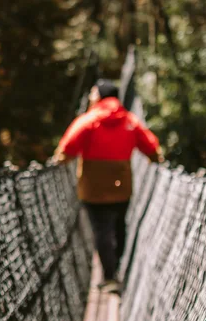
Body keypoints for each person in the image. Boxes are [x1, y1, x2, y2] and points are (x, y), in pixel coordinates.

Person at [52, 79, 162, 292]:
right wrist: (156, 159)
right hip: (121, 185)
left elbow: (67, 149)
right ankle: (118, 264)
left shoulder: (88, 120)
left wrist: (58, 160)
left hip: (93, 187)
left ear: (100, 96)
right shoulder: (130, 120)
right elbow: (150, 146)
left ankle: (109, 276)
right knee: (119, 225)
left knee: (101, 230)